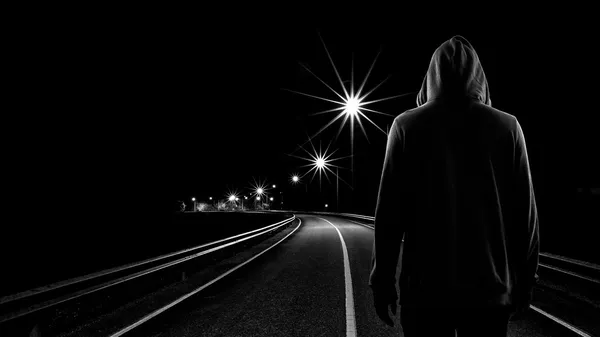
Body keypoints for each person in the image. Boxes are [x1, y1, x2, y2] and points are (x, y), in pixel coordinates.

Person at [369, 35, 540, 336]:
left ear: (431, 76)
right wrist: (525, 283)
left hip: (424, 293)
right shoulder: (508, 127)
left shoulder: (406, 126)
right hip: (488, 293)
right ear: (480, 78)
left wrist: (382, 282)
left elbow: (389, 217)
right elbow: (525, 218)